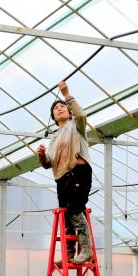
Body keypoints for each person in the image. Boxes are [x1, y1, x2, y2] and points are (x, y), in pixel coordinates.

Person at [36, 81, 93, 265]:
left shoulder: (76, 125)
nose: (59, 108)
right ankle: (69, 253)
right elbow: (48, 164)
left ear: (69, 111)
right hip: (62, 178)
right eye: (56, 108)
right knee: (66, 215)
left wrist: (66, 94)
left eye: (62, 106)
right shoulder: (54, 139)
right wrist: (42, 156)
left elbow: (81, 114)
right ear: (53, 117)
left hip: (79, 172)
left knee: (75, 209)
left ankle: (87, 249)